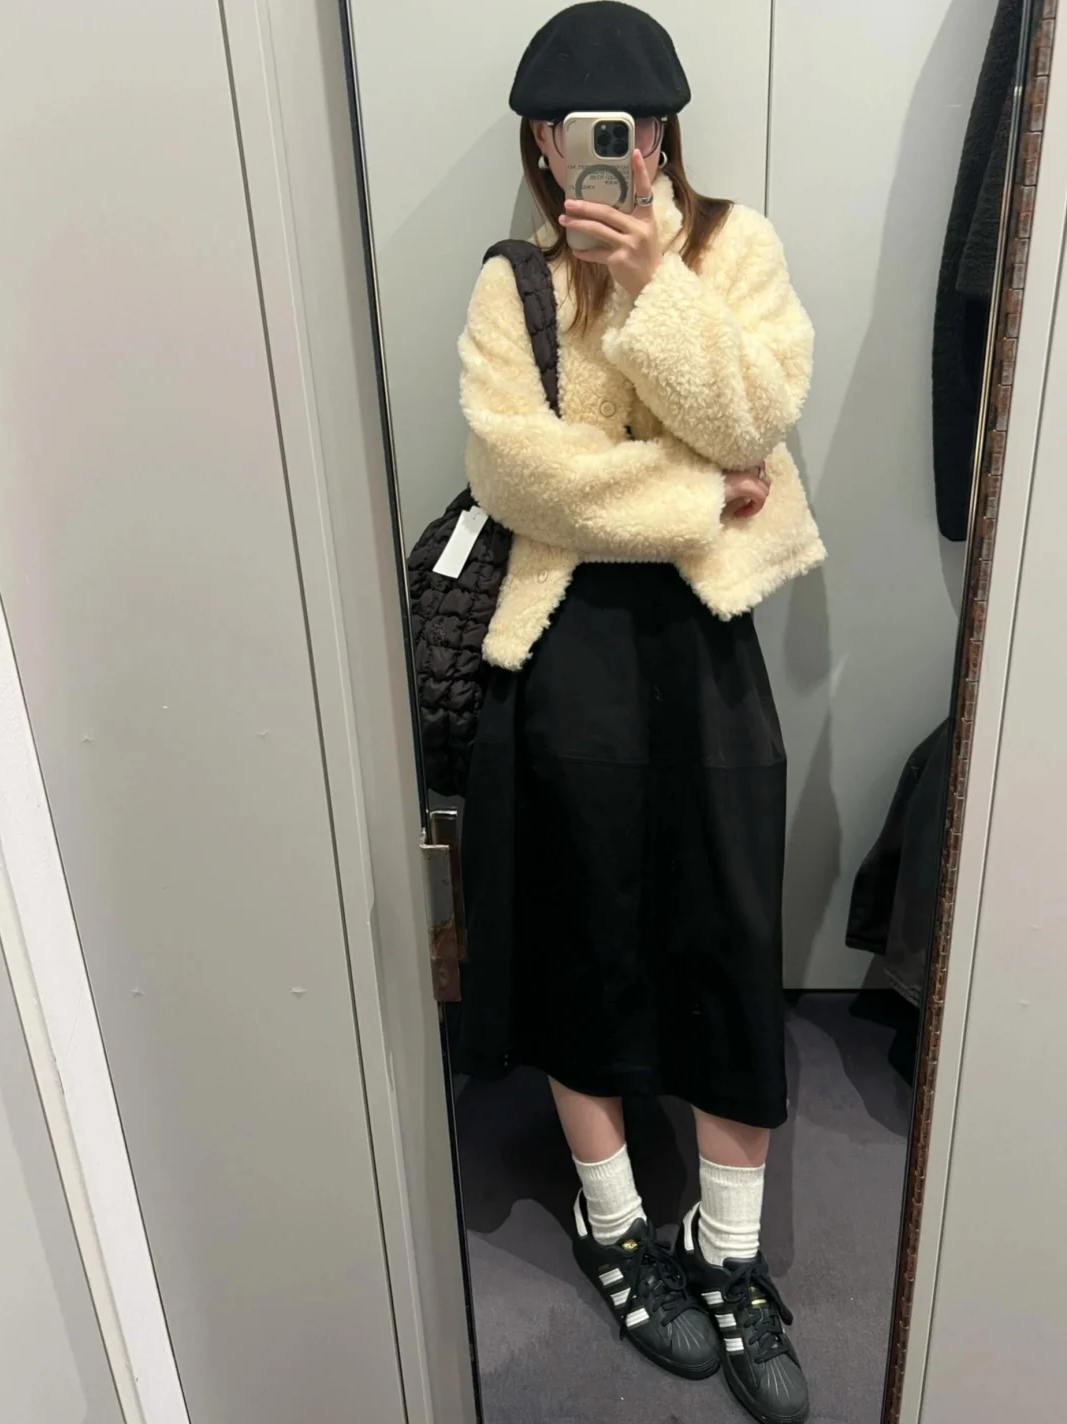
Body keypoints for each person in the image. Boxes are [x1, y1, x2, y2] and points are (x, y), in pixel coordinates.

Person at [457, 5, 824, 1421]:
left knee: (728, 933)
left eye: (642, 126)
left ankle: (728, 1255)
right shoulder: (512, 283)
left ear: (666, 134)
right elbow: (517, 477)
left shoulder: (736, 250)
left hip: (708, 647)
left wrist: (655, 283)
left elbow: (754, 418)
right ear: (544, 146)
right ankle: (614, 1226)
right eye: (586, 130)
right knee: (585, 939)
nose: (619, 150)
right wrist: (695, 499)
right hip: (564, 651)